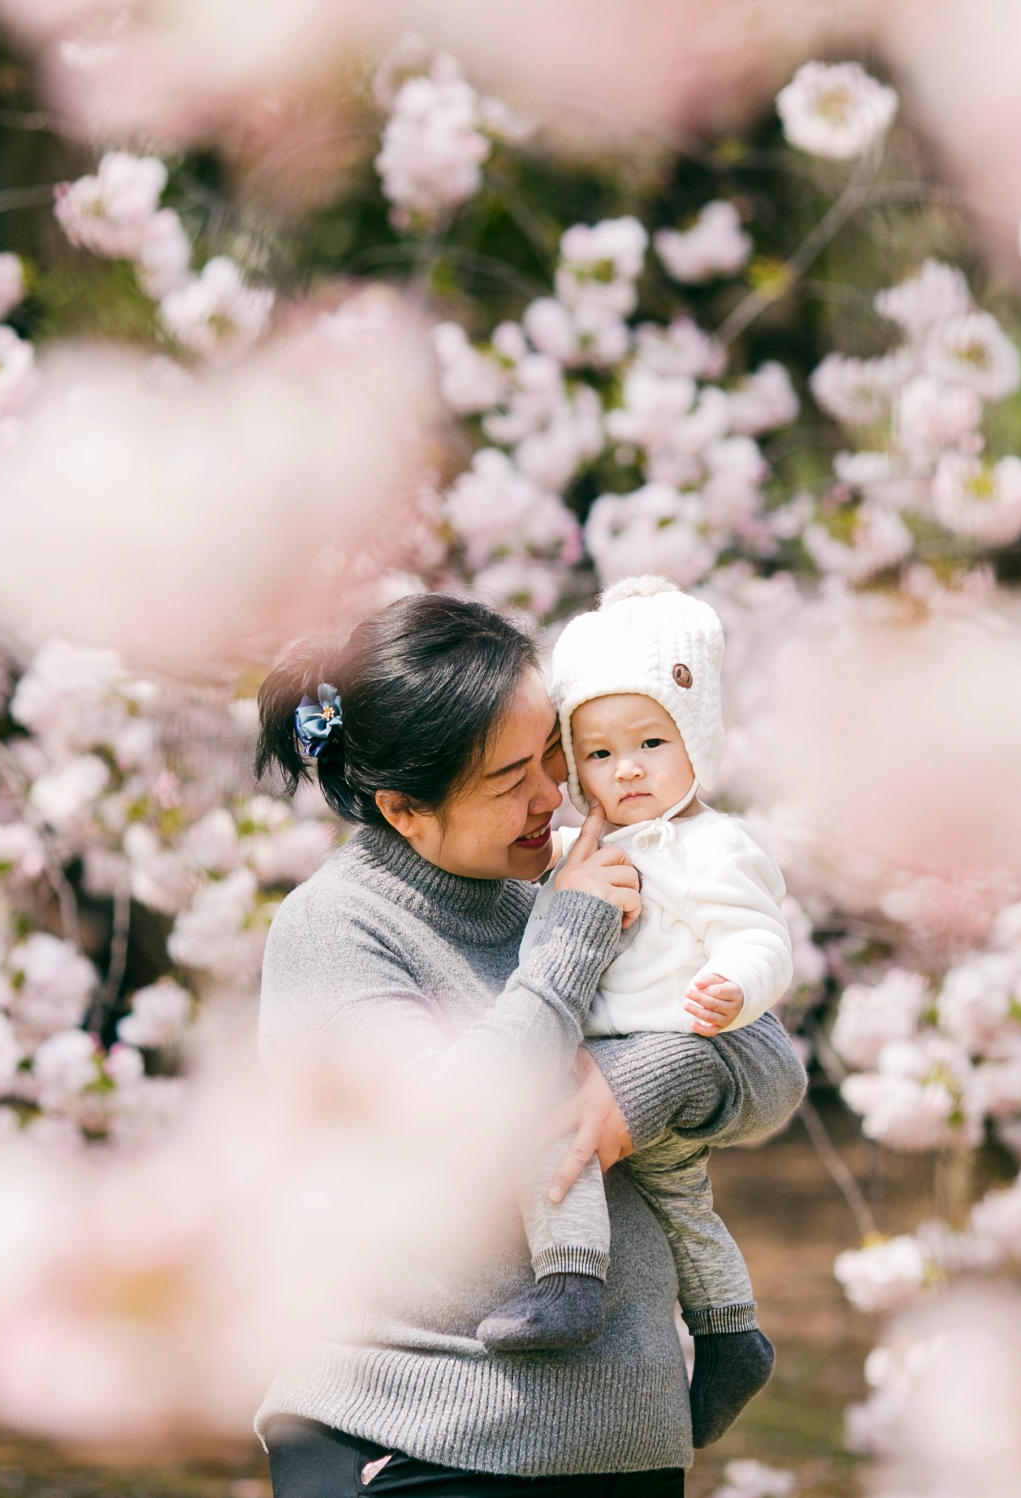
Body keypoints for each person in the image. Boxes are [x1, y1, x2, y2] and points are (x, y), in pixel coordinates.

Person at [251, 591, 807, 1495]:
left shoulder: (571, 884)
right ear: (403, 811)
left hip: (620, 1437)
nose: (556, 793)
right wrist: (569, 944)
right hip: (417, 1432)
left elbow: (772, 1072)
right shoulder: (336, 930)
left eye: (554, 749)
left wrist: (643, 1081)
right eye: (511, 780)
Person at [477, 578, 789, 1455]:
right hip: (614, 1059)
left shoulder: (713, 846)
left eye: (653, 742)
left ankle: (568, 1280)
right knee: (688, 1210)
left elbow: (762, 938)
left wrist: (734, 984)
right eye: (602, 755)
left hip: (663, 1054)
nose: (631, 770)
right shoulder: (590, 851)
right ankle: (731, 1333)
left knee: (555, 1141)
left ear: (698, 739)